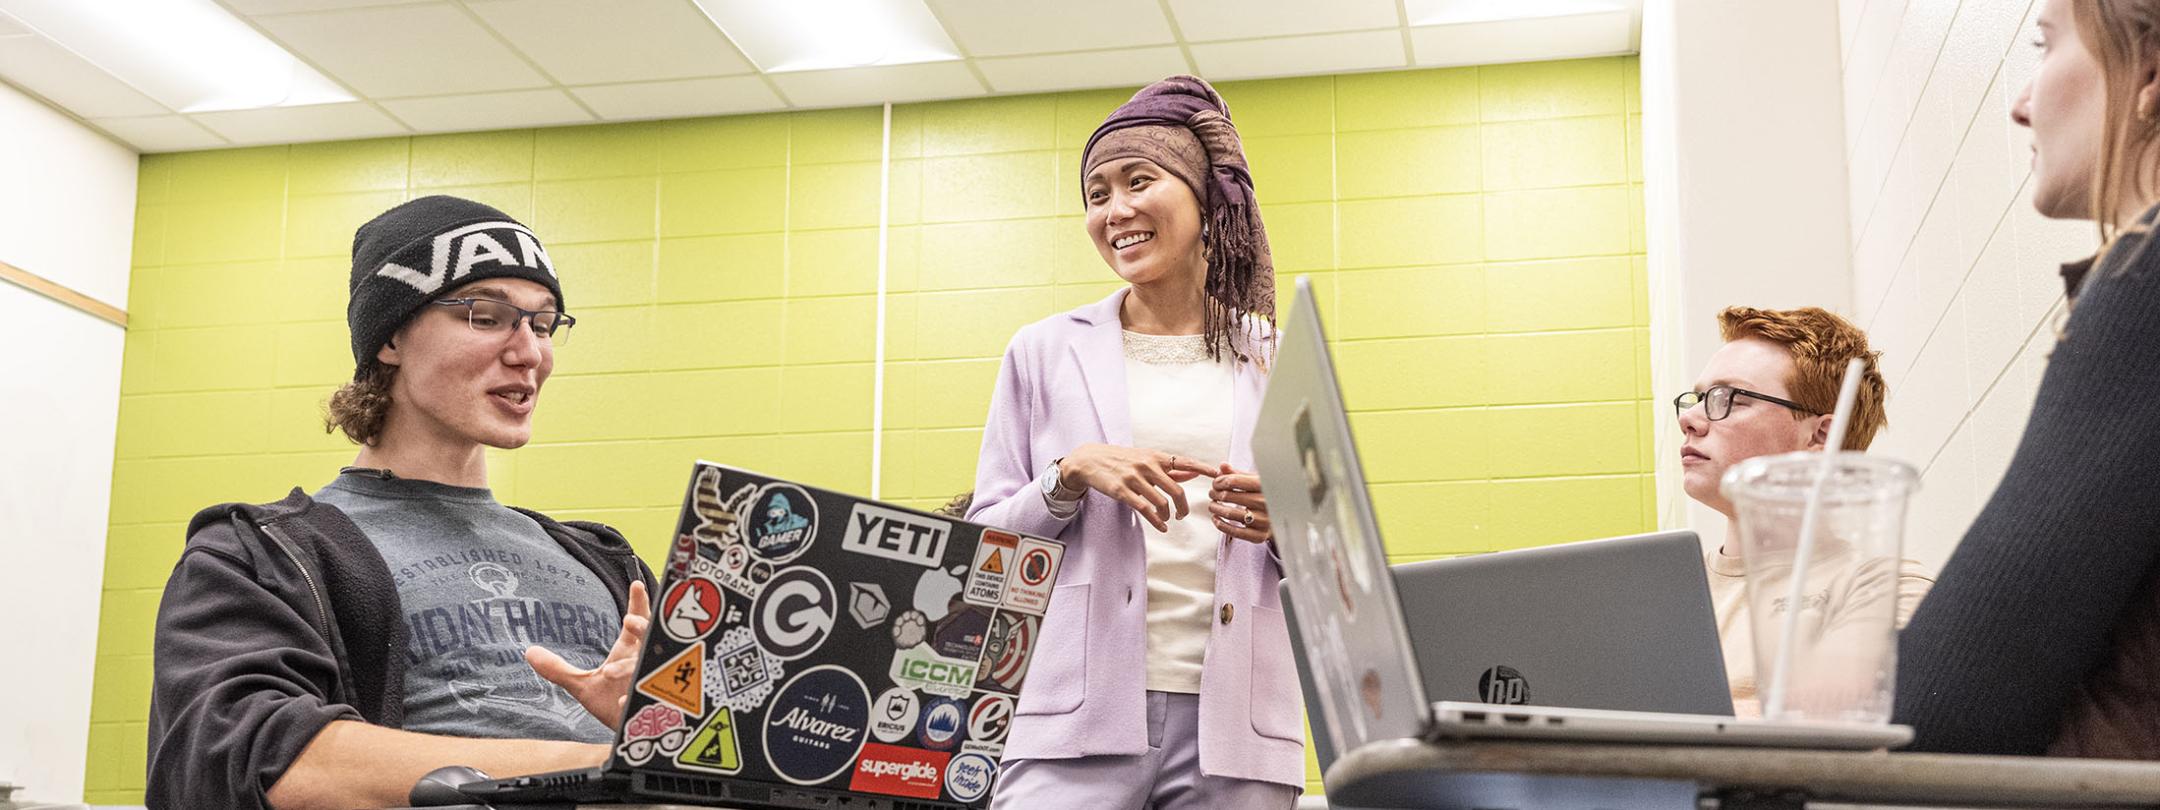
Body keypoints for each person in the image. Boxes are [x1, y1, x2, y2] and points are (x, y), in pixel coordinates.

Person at [146, 196, 656, 809]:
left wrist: (658, 731)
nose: (529, 353)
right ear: (391, 336)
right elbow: (250, 757)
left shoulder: (603, 561)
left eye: (543, 325)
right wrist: (607, 766)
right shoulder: (262, 554)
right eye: (486, 316)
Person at [965, 75, 1303, 808]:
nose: (1115, 210)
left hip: (1238, 733)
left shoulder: (1275, 354)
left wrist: (1290, 524)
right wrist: (1069, 472)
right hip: (1069, 717)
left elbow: (1340, 558)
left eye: (1138, 181)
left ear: (1204, 198)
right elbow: (981, 548)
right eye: (1096, 194)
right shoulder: (1042, 351)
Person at [1896, 0, 2160, 757]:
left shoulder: (2147, 273)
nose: (2019, 104)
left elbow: (1945, 704)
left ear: (2148, 70)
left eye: (2046, 47)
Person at [1675, 306, 1932, 715]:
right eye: (1700, 397)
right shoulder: (1665, 595)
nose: (1690, 419)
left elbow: (1836, 726)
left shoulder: (1882, 588)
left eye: (1728, 399)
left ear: (1821, 435)